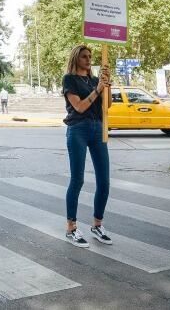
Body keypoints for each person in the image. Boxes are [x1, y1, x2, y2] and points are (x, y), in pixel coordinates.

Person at [62, 45, 113, 247]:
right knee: (78, 180)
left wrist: (107, 85)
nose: (88, 59)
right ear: (76, 58)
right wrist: (98, 89)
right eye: (84, 56)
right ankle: (71, 228)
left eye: (90, 56)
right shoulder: (69, 80)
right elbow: (80, 107)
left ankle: (97, 225)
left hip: (98, 129)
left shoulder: (94, 80)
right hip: (78, 129)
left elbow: (107, 105)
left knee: (104, 181)